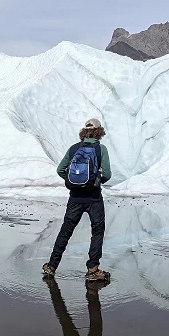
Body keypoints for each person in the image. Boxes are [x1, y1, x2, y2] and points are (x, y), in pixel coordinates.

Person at [43, 118, 112, 282]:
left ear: (84, 131)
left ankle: (52, 266)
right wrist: (95, 181)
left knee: (66, 231)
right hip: (94, 198)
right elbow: (107, 175)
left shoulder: (74, 149)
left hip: (75, 198)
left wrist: (73, 181)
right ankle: (93, 270)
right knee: (97, 231)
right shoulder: (100, 149)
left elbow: (60, 170)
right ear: (99, 131)